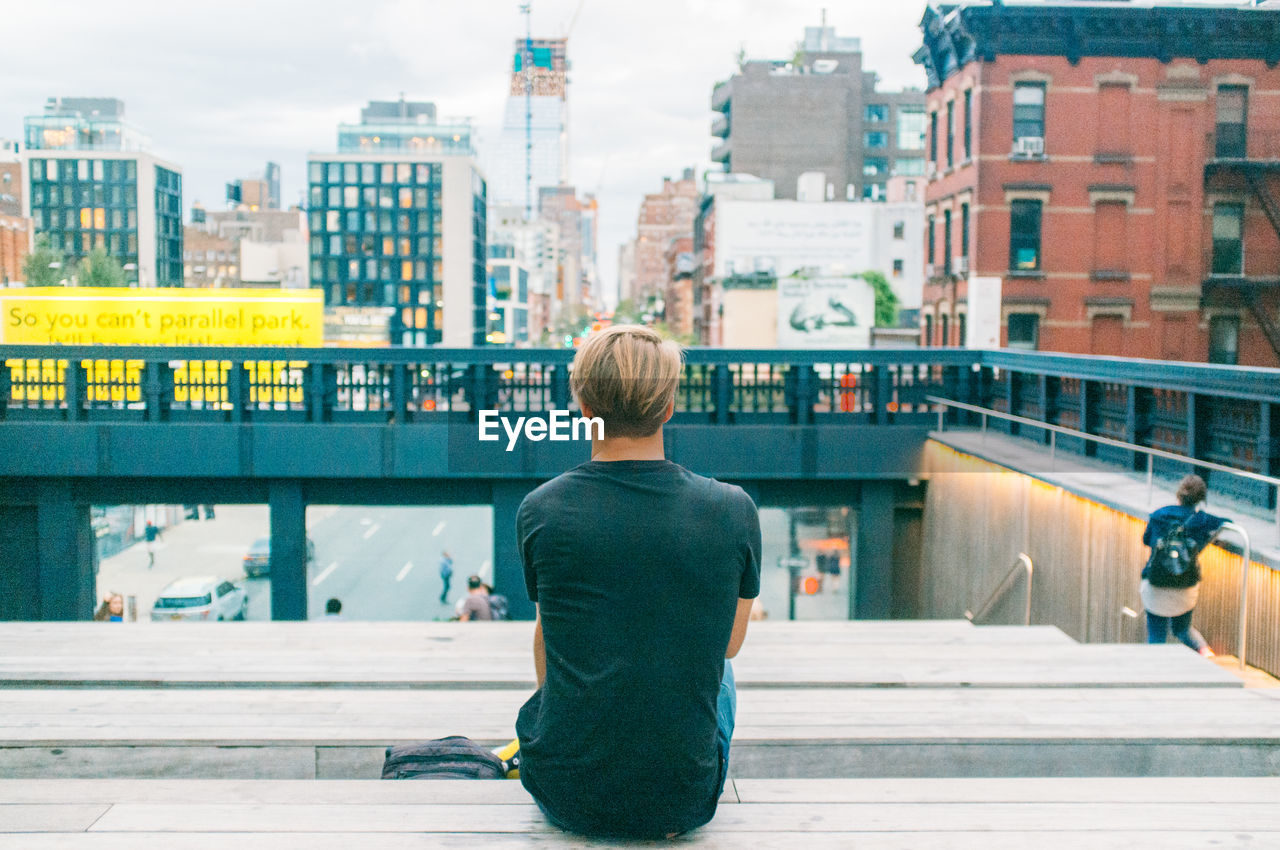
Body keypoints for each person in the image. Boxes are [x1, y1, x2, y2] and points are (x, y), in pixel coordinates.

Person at [514, 325, 760, 840]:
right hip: (683, 801)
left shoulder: (542, 510)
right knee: (722, 671)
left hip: (565, 793)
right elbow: (730, 644)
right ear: (668, 408)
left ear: (584, 409)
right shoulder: (733, 509)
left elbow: (548, 641)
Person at [1141, 474, 1226, 657]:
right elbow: (1226, 523)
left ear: (1178, 494)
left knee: (1156, 633)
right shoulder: (1203, 520)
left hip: (1156, 584)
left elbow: (1147, 539)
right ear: (1201, 498)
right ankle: (1205, 653)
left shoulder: (1159, 515)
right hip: (1185, 587)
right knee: (1183, 629)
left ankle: (1155, 669)